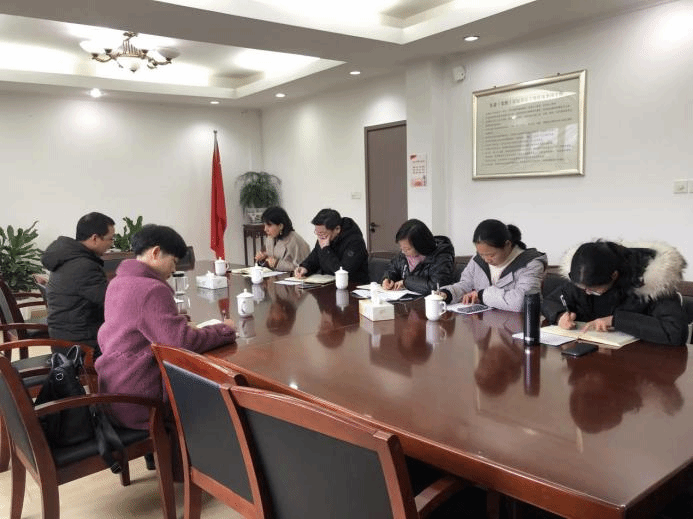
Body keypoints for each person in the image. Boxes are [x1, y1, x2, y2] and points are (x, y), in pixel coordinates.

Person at [95, 224, 236, 430]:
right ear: (155, 252)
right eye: (173, 262)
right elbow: (181, 342)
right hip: (143, 402)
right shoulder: (152, 289)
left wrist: (177, 321)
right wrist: (224, 330)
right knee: (221, 400)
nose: (174, 270)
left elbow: (138, 322)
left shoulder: (117, 282)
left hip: (114, 392)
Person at [542, 241, 688, 346]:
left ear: (614, 276)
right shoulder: (583, 278)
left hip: (639, 364)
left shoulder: (652, 284)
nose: (586, 292)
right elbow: (550, 301)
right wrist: (559, 315)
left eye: (592, 288)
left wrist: (615, 321)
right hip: (589, 356)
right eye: (581, 287)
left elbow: (676, 332)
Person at [41, 212, 115, 353]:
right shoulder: (84, 266)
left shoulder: (67, 258)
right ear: (95, 238)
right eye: (110, 239)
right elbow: (111, 302)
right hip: (80, 346)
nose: (111, 244)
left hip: (64, 338)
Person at [438, 219, 547, 312]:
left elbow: (523, 301)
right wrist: (447, 294)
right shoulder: (478, 260)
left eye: (491, 255)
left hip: (517, 325)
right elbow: (466, 284)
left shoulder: (530, 263)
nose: (486, 260)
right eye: (481, 254)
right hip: (483, 323)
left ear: (507, 244)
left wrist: (482, 295)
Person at [294, 208, 369, 284]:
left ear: (337, 229)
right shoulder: (323, 238)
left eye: (322, 233)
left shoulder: (355, 241)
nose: (319, 236)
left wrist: (326, 250)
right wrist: (305, 268)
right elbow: (314, 258)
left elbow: (344, 272)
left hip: (352, 285)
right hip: (327, 283)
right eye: (317, 232)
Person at [381, 219, 455, 294]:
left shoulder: (441, 257)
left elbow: (436, 287)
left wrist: (406, 283)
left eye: (407, 249)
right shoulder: (405, 254)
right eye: (401, 247)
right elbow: (393, 268)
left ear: (420, 246)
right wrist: (388, 278)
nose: (403, 252)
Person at [254, 206, 310, 272]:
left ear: (280, 226)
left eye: (269, 225)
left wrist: (277, 263)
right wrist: (263, 259)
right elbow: (269, 263)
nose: (265, 229)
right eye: (265, 225)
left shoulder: (295, 240)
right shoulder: (270, 238)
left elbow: (303, 267)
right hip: (274, 277)